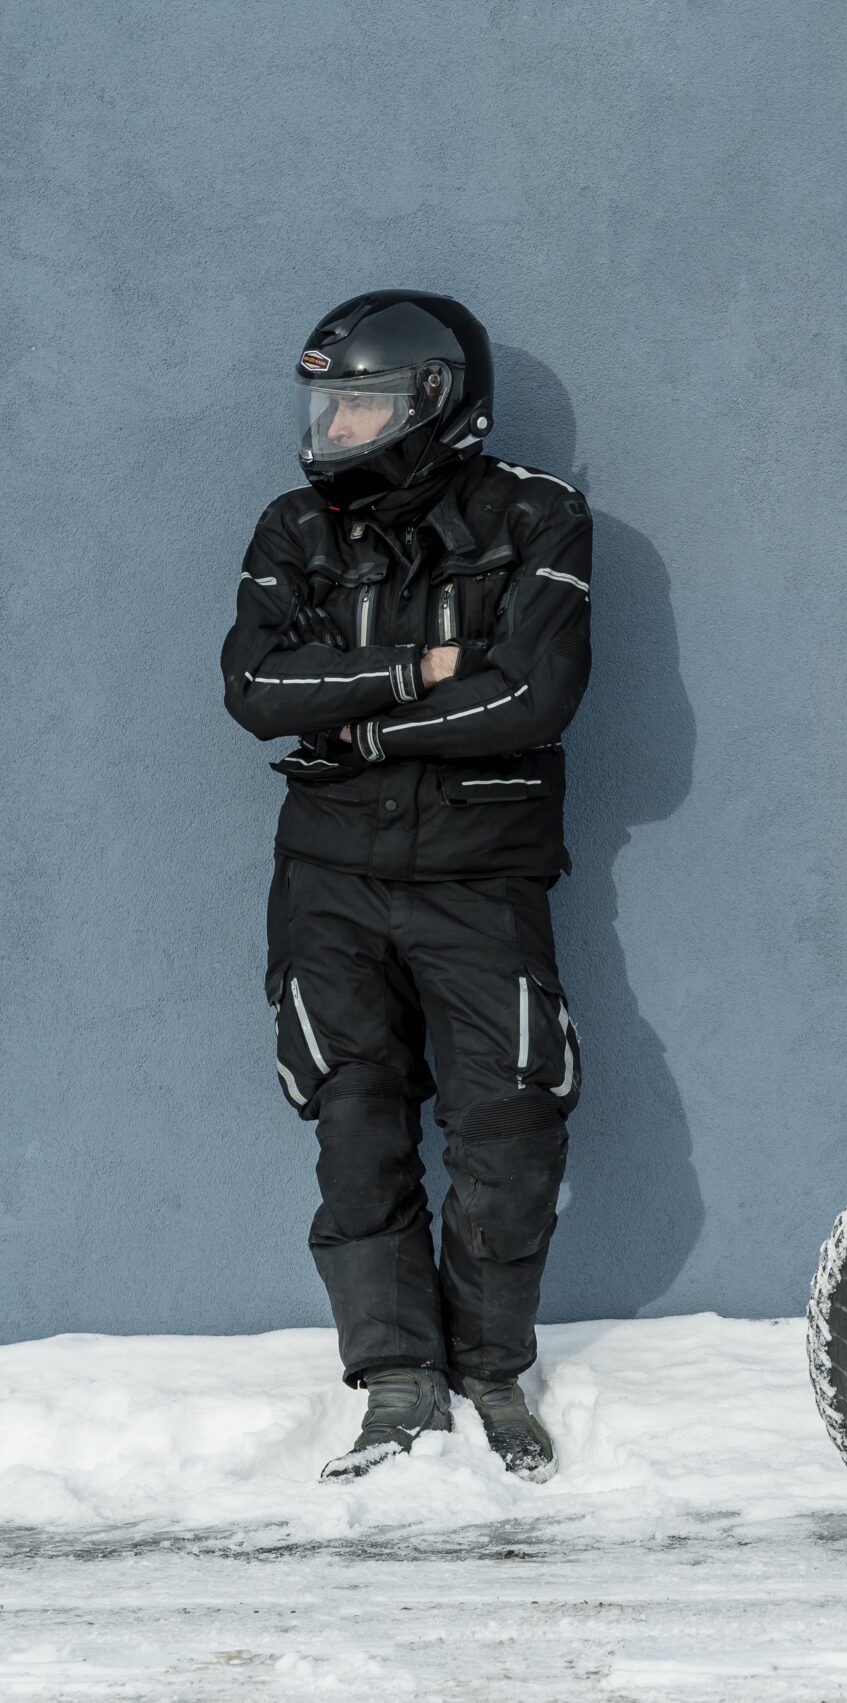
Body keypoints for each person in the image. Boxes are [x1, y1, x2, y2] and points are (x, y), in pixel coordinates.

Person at [221, 291, 594, 1481]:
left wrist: (368, 727)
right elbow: (255, 689)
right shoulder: (294, 529)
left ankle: (490, 1365)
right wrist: (417, 667)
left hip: (479, 877)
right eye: (327, 404)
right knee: (352, 1117)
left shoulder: (539, 515)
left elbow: (533, 698)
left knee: (511, 1118)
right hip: (327, 879)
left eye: (363, 403)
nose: (336, 427)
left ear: (435, 402)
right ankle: (394, 1374)